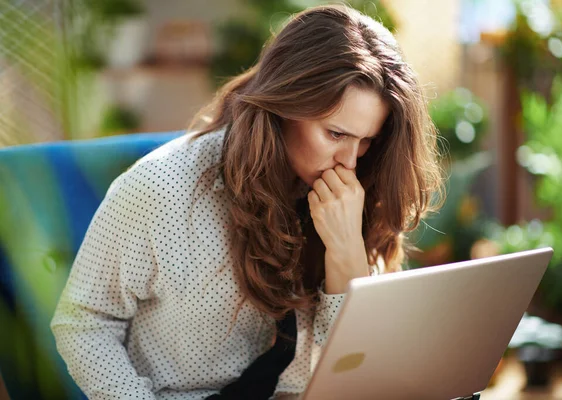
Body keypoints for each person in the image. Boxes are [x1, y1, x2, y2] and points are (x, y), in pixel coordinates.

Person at [51, 4, 444, 400]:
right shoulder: (162, 188)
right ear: (283, 107)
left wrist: (346, 254)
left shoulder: (360, 187)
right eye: (336, 134)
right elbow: (84, 322)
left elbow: (355, 370)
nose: (350, 161)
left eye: (367, 140)